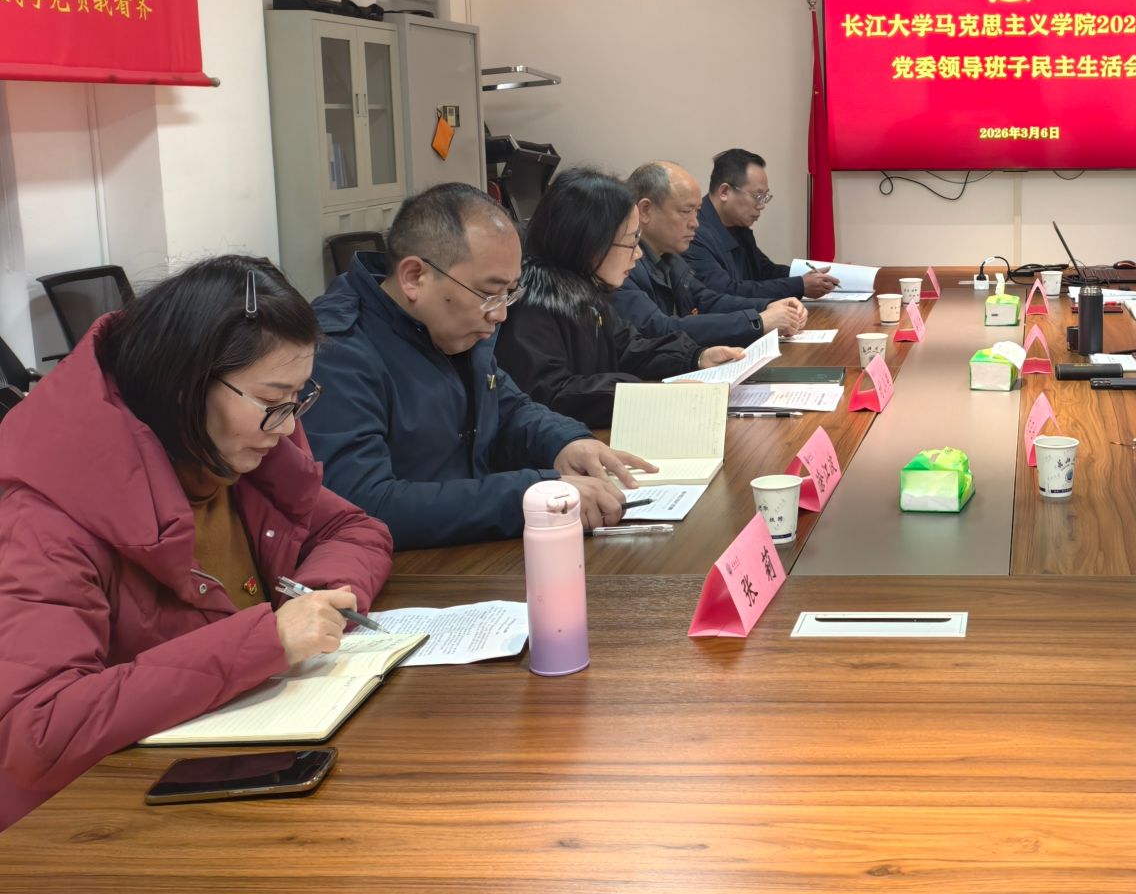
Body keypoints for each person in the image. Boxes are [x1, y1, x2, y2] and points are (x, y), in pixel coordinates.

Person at [0, 256, 393, 828]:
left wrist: (321, 598)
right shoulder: (45, 515)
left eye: (298, 398)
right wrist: (266, 640)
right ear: (185, 386)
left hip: (217, 771)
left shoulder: (233, 454)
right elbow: (37, 727)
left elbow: (354, 529)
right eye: (272, 401)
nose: (288, 426)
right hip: (85, 822)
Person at [306, 183, 655, 551]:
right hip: (402, 568)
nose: (500, 313)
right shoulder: (337, 350)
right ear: (414, 277)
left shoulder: (458, 324)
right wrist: (531, 493)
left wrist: (566, 441)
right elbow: (365, 504)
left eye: (510, 292)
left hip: (470, 547)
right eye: (490, 293)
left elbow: (508, 407)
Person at [499, 168, 744, 427]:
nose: (638, 254)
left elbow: (628, 348)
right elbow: (554, 393)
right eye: (631, 241)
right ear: (590, 241)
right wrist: (649, 396)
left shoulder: (588, 290)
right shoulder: (532, 302)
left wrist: (697, 357)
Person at [618, 160, 806, 347]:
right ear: (645, 210)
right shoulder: (622, 266)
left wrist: (769, 306)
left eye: (697, 211)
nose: (695, 223)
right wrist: (758, 322)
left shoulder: (670, 257)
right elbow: (660, 328)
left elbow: (706, 301)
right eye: (686, 211)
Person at [685, 148, 838, 301]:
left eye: (765, 197)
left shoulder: (738, 226)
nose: (761, 205)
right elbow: (725, 291)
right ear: (724, 192)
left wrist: (819, 276)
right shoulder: (692, 233)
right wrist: (800, 285)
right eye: (757, 196)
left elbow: (765, 271)